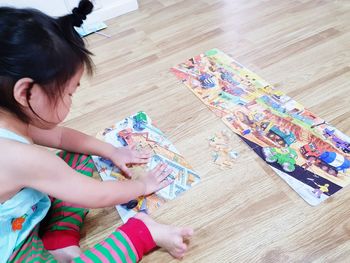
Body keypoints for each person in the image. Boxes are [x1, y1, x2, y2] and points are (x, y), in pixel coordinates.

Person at [0, 1, 193, 262]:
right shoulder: (18, 158)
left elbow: (61, 137)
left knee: (80, 155)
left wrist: (112, 151)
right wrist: (143, 184)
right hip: (12, 247)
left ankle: (59, 238)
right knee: (69, 177)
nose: (71, 101)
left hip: (23, 215)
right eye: (68, 93)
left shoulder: (9, 116)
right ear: (25, 92)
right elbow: (97, 195)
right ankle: (143, 232)